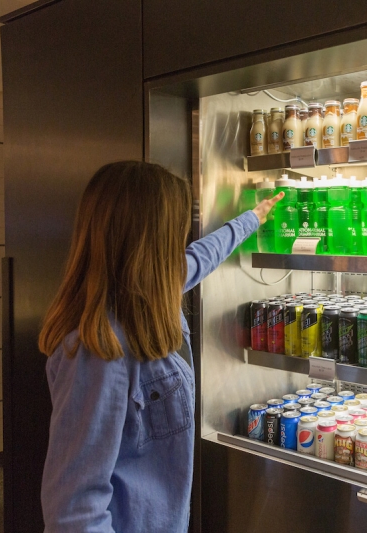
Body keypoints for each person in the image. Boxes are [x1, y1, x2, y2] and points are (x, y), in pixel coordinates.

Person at [38, 161, 282, 532]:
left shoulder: (153, 294)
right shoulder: (100, 351)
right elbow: (75, 510)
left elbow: (203, 255)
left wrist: (253, 218)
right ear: (150, 240)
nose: (181, 240)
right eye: (176, 232)